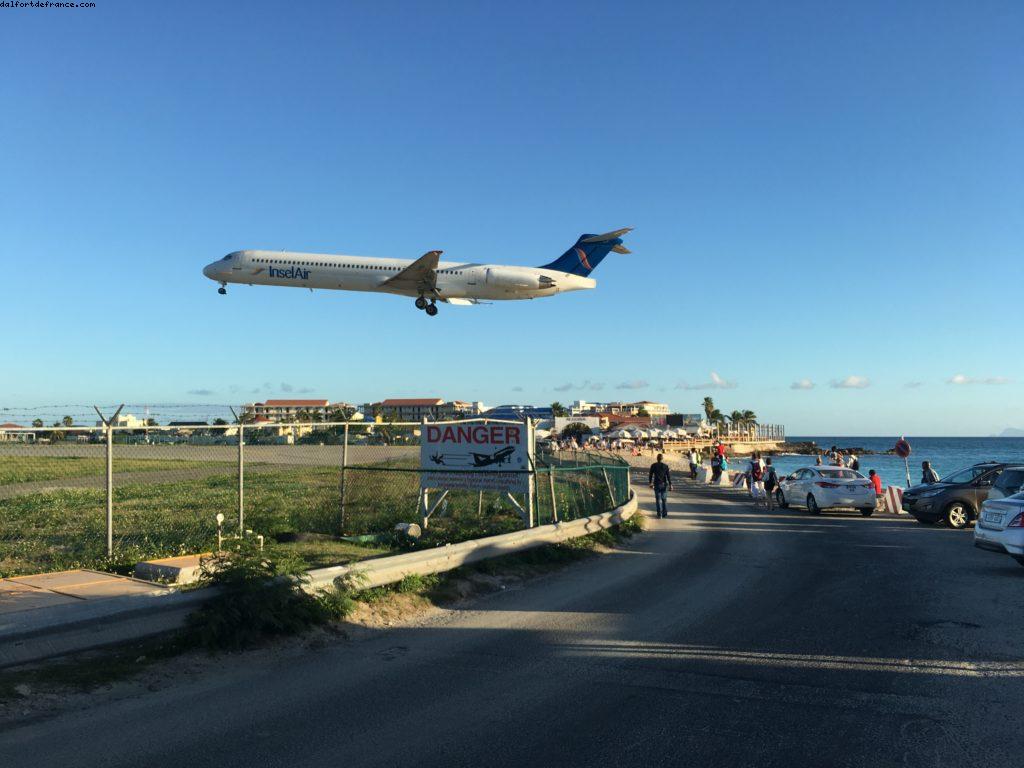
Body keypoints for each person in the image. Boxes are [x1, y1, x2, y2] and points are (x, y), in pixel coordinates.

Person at [648, 453, 672, 518]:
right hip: (664, 485)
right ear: (662, 459)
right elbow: (668, 476)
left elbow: (650, 475)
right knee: (664, 499)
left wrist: (650, 483)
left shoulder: (653, 465)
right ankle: (664, 513)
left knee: (658, 500)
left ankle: (659, 514)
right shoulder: (665, 466)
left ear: (657, 458)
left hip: (656, 484)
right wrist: (670, 484)